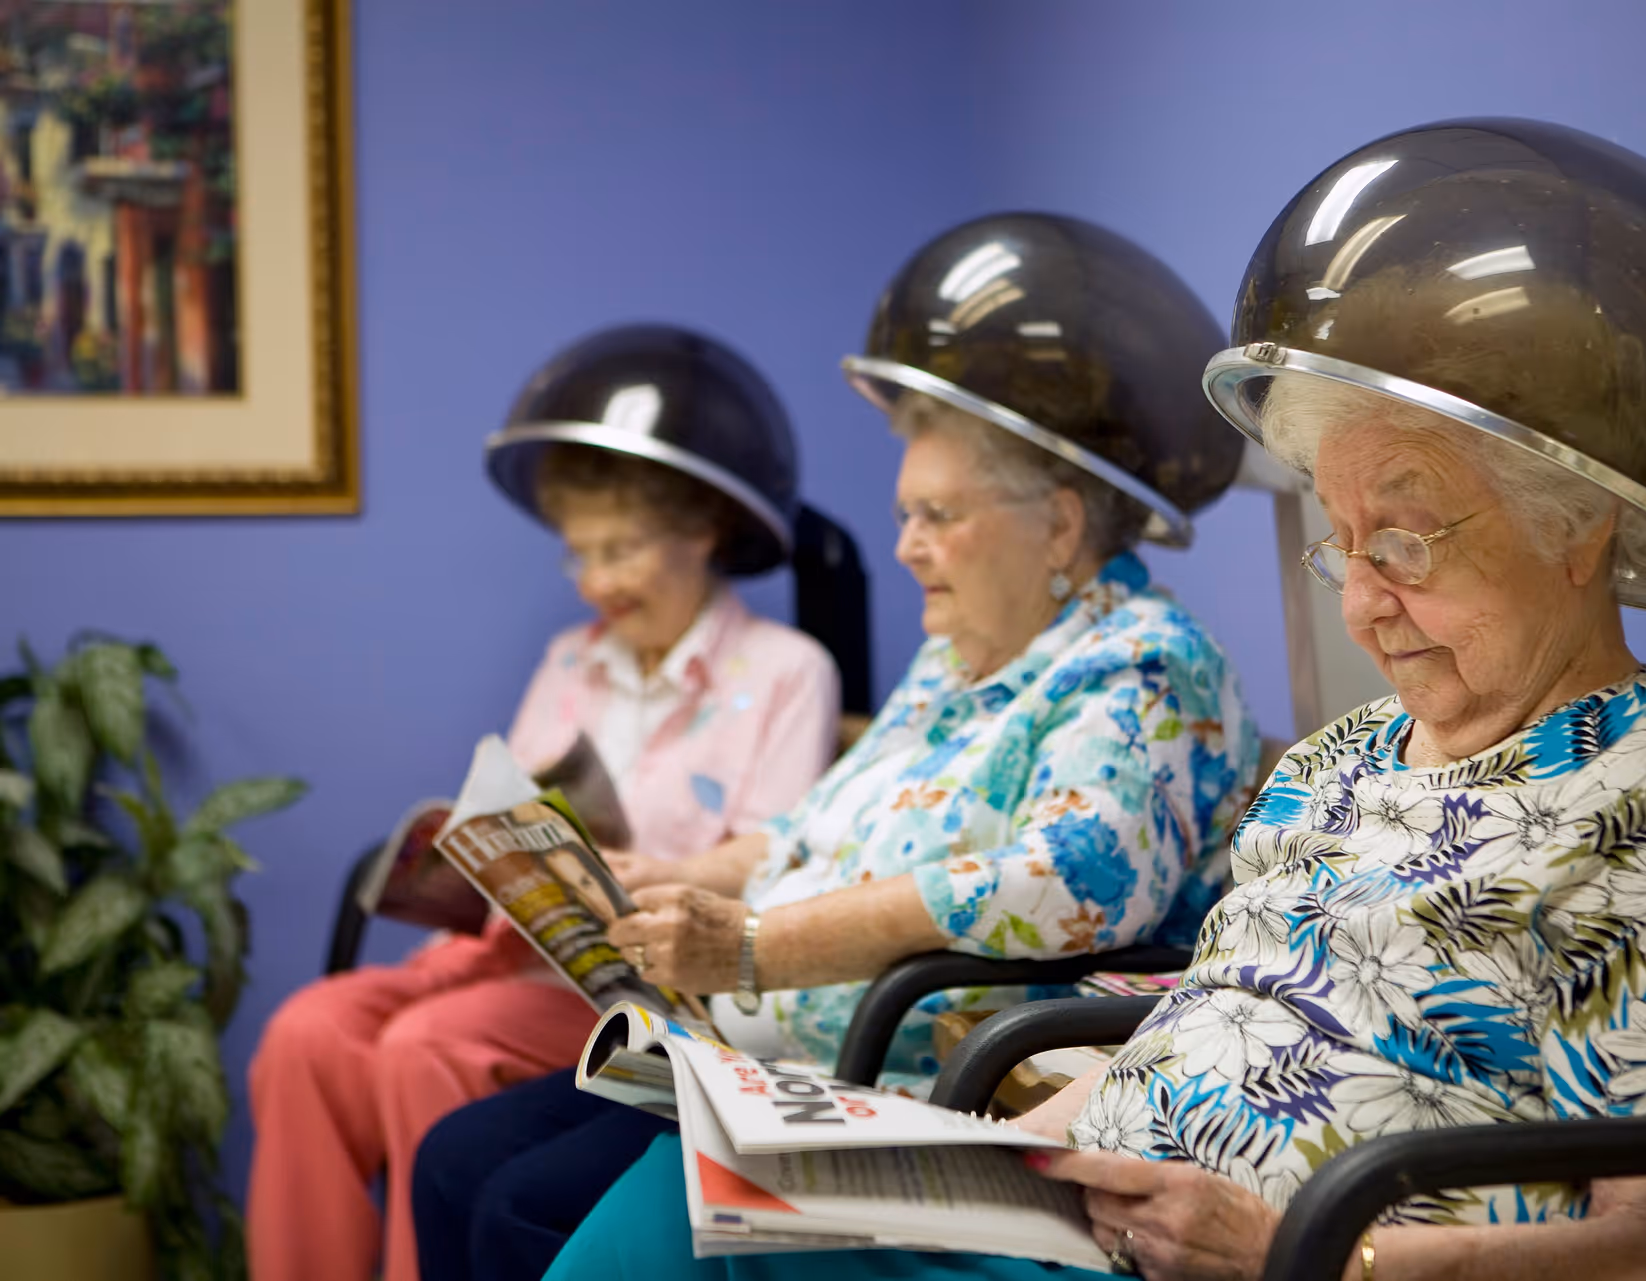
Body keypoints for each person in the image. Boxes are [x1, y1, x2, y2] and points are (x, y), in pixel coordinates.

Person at [547, 120, 1646, 1281]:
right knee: (711, 1193)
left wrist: (1313, 1255)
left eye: (1411, 544)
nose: (1363, 604)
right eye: (1345, 545)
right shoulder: (1341, 760)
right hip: (1083, 1226)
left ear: (1580, 530)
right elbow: (1197, 1038)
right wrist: (945, 1162)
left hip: (1281, 1264)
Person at [409, 212, 1262, 1281]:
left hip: (898, 1088)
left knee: (519, 1213)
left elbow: (1075, 879)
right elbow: (806, 837)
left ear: (1056, 525)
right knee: (454, 1164)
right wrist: (667, 881)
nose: (905, 548)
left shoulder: (1147, 663)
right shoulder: (957, 662)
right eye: (907, 515)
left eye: (936, 516)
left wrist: (762, 947)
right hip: (770, 1055)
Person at [245, 326, 841, 1281]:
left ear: (705, 528)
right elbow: (512, 808)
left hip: (642, 989)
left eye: (625, 548)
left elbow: (778, 855)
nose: (599, 580)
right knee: (308, 1030)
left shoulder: (785, 672)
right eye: (580, 555)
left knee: (422, 1046)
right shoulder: (573, 657)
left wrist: (672, 873)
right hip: (509, 954)